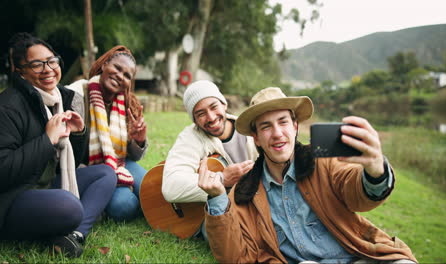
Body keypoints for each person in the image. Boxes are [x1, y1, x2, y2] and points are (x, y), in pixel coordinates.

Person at [198, 87, 418, 263]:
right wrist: (217, 197)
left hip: (362, 257)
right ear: (256, 138)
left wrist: (375, 169)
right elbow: (234, 256)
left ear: (295, 126)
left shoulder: (324, 161)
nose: (277, 133)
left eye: (283, 122)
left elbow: (356, 191)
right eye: (266, 126)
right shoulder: (245, 192)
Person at [0, 32, 116, 258]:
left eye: (52, 61)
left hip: (47, 184)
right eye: (37, 64)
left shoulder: (62, 99)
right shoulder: (8, 106)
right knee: (69, 206)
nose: (48, 69)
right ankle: (57, 221)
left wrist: (79, 133)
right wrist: (47, 140)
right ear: (20, 71)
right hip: (14, 196)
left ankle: (73, 236)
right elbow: (3, 171)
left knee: (105, 174)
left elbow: (74, 163)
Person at [67, 46, 148, 222]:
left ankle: (136, 196)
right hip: (90, 169)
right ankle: (116, 198)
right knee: (124, 206)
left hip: (120, 162)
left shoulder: (127, 103)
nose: (120, 76)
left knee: (151, 188)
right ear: (104, 65)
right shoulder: (77, 96)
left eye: (127, 75)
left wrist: (138, 140)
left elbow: (133, 155)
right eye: (117, 68)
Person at [162, 80, 258, 216]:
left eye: (214, 107)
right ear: (194, 120)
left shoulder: (252, 129)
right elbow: (171, 187)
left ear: (224, 104)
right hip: (215, 212)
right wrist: (222, 179)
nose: (211, 117)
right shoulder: (190, 137)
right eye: (201, 114)